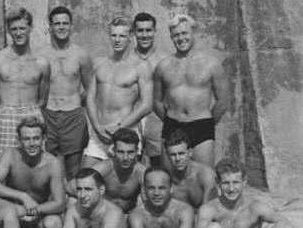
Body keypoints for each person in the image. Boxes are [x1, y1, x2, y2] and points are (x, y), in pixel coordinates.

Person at [154, 14, 231, 168]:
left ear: (193, 33)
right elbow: (156, 101)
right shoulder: (163, 66)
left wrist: (207, 122)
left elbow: (223, 101)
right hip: (172, 126)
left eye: (184, 33)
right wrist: (170, 121)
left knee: (204, 177)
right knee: (169, 180)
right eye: (176, 35)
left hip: (201, 126)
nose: (181, 38)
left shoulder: (211, 64)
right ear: (171, 37)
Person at [84, 17, 153, 167]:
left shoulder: (141, 66)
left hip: (125, 134)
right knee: (86, 179)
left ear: (130, 37)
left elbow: (147, 105)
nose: (117, 40)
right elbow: (90, 98)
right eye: (114, 35)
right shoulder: (99, 63)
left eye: (122, 36)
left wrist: (119, 127)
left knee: (123, 186)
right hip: (99, 132)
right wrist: (97, 127)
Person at [0, 8, 50, 160]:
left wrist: (32, 114)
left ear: (30, 28)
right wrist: (1, 115)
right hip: (6, 116)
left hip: (32, 116)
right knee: (2, 165)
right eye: (14, 29)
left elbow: (43, 100)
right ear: (8, 30)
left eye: (22, 28)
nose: (18, 33)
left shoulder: (42, 63)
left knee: (34, 167)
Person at [0, 118, 65, 228]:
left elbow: (59, 203)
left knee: (53, 225)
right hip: (12, 209)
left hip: (39, 213)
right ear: (19, 140)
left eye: (36, 138)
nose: (32, 143)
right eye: (26, 139)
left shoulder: (53, 163)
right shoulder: (10, 155)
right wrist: (23, 196)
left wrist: (33, 210)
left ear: (44, 139)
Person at [42, 6, 92, 180]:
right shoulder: (41, 55)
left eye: (65, 23)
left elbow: (90, 87)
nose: (61, 27)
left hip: (73, 115)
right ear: (50, 26)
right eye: (57, 23)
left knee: (73, 169)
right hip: (48, 114)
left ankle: (72, 205)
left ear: (71, 26)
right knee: (47, 166)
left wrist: (76, 99)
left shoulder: (81, 55)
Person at [132, 12, 168, 167]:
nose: (144, 35)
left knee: (159, 167)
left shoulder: (165, 60)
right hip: (132, 119)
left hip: (156, 120)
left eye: (148, 30)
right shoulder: (127, 58)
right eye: (140, 31)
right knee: (131, 166)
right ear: (134, 32)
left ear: (155, 31)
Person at [81, 128, 146, 214]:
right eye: (121, 152)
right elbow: (71, 187)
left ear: (137, 151)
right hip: (102, 214)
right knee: (73, 199)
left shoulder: (141, 172)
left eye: (130, 152)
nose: (125, 158)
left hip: (129, 215)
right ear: (114, 151)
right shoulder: (103, 168)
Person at [163, 129, 217, 209]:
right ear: (167, 156)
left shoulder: (206, 175)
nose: (177, 159)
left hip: (204, 219)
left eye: (181, 153)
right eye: (173, 155)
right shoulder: (166, 178)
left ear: (190, 152)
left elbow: (208, 212)